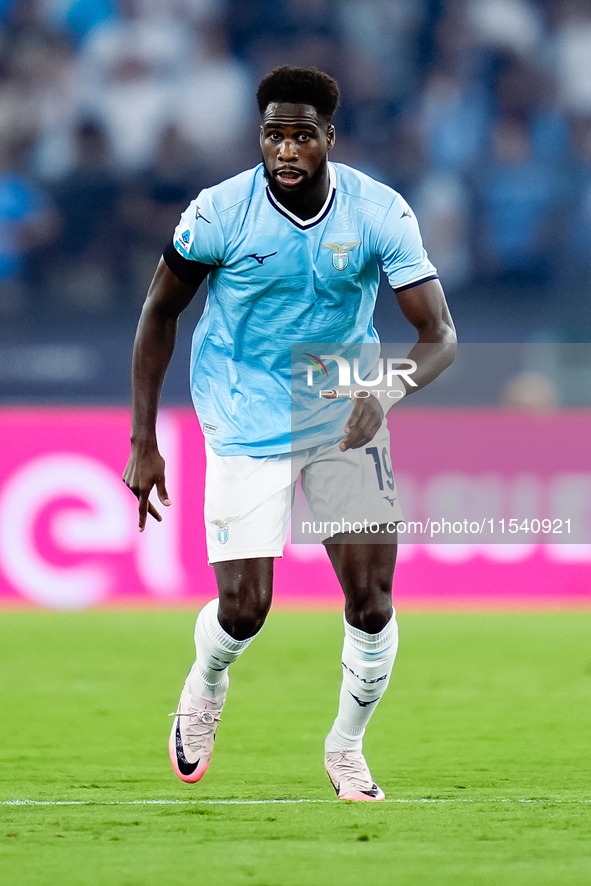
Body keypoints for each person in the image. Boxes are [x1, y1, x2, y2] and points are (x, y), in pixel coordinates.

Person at [123, 66, 456, 801]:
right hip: (243, 413)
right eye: (273, 134)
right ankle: (206, 681)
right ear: (260, 136)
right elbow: (158, 314)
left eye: (301, 135)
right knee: (245, 609)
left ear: (328, 139)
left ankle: (346, 748)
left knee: (370, 601)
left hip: (343, 410)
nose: (286, 149)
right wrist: (143, 441)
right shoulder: (217, 212)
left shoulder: (379, 212)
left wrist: (385, 389)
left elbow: (438, 335)